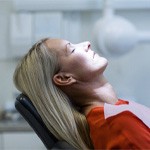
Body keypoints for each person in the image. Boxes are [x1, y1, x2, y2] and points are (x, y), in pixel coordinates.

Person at [13, 38, 150, 150]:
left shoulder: (113, 115)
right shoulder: (118, 124)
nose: (87, 43)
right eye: (72, 49)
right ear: (64, 78)